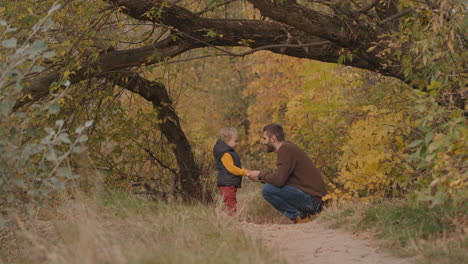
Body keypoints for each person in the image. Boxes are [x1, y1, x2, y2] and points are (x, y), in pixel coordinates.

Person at [248, 123, 327, 223]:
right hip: (315, 200)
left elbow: (279, 180)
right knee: (269, 187)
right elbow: (281, 178)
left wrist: (260, 175)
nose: (263, 142)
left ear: (273, 138)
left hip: (313, 201)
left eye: (264, 138)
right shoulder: (288, 148)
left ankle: (300, 218)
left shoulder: (285, 149)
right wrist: (261, 177)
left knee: (268, 190)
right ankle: (303, 216)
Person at [213, 127, 249, 215]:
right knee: (230, 203)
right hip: (227, 183)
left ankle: (230, 219)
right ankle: (231, 220)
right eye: (235, 141)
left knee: (231, 202)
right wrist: (246, 172)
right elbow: (231, 168)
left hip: (229, 183)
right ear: (227, 140)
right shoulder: (225, 154)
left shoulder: (228, 151)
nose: (237, 143)